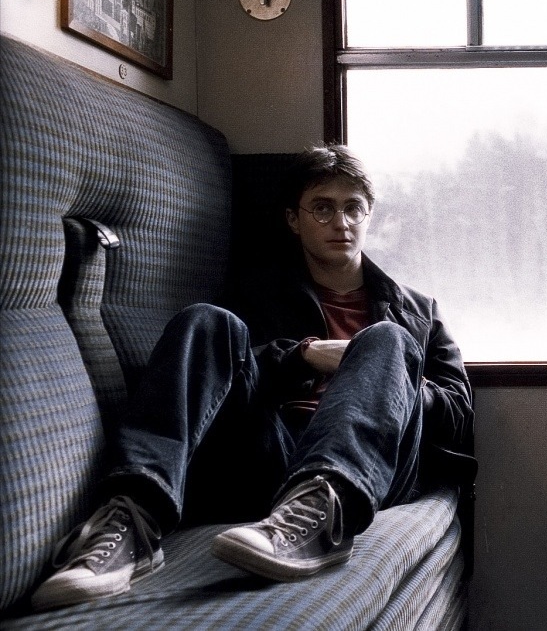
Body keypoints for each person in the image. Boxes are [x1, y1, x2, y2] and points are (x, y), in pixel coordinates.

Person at [31, 144, 473, 610]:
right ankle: (134, 518)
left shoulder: (417, 312)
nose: (341, 222)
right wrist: (302, 356)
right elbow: (229, 383)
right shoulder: (258, 294)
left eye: (353, 208)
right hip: (271, 450)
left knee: (387, 339)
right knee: (205, 321)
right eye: (323, 208)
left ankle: (323, 514)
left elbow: (458, 413)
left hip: (372, 467)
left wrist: (386, 375)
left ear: (369, 214)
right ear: (293, 219)